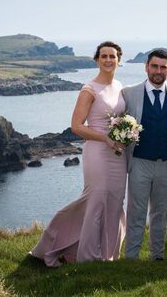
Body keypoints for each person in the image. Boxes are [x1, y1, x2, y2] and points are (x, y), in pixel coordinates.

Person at [30, 41, 127, 267]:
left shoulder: (120, 86)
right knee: (95, 200)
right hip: (98, 152)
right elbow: (76, 126)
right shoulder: (89, 89)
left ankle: (109, 253)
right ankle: (87, 255)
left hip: (118, 154)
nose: (108, 60)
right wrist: (105, 138)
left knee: (114, 201)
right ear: (96, 60)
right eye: (104, 56)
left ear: (119, 60)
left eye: (112, 56)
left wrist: (125, 133)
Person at [121, 49, 167, 260]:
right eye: (154, 66)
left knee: (162, 211)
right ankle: (132, 256)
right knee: (136, 211)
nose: (158, 71)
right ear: (146, 67)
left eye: (163, 67)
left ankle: (157, 255)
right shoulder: (129, 93)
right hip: (139, 161)